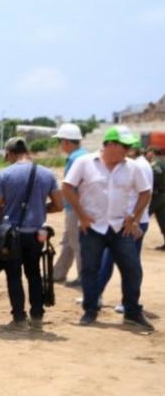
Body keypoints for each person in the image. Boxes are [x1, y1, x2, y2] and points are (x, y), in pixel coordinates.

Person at [63, 128, 153, 330]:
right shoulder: (85, 162)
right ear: (110, 145)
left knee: (132, 270)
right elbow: (67, 187)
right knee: (90, 270)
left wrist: (134, 217)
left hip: (121, 228)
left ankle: (132, 312)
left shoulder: (132, 167)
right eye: (125, 146)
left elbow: (145, 192)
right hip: (92, 227)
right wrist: (81, 215)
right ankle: (90, 311)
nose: (128, 151)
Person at [0, 136, 63, 331]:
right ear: (27, 153)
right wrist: (40, 209)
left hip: (11, 235)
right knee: (34, 274)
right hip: (37, 234)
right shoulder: (47, 174)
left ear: (10, 154)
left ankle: (19, 319)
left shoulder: (4, 175)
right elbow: (59, 205)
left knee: (14, 276)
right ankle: (37, 318)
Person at [91, 132, 153, 313]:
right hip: (132, 220)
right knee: (120, 262)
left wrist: (133, 220)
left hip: (129, 222)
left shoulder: (136, 167)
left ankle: (103, 297)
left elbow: (144, 194)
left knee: (116, 261)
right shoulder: (141, 164)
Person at [52, 123, 87, 288]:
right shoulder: (83, 154)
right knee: (68, 242)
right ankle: (58, 273)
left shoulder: (74, 158)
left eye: (60, 141)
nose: (60, 145)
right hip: (79, 205)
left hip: (75, 207)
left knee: (77, 243)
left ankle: (83, 278)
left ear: (66, 141)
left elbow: (71, 186)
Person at [151, 147, 165, 250]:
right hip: (162, 195)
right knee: (163, 220)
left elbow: (154, 178)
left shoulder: (157, 164)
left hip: (157, 196)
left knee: (140, 217)